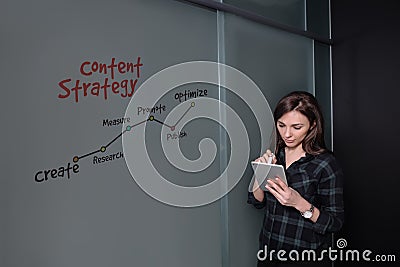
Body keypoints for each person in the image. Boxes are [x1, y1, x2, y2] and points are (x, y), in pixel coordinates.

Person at [248, 91, 344, 267]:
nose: (287, 134)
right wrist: (260, 172)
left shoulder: (325, 164)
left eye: (296, 127)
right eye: (281, 125)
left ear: (313, 125)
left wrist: (299, 203)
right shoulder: (277, 154)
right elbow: (256, 201)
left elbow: (335, 223)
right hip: (269, 254)